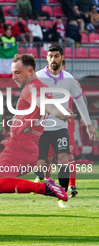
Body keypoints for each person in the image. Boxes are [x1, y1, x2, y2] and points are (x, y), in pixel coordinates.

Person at [0, 54, 74, 239]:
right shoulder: (42, 88)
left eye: (17, 72)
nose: (14, 77)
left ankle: (45, 187)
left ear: (30, 71)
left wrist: (58, 113)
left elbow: (42, 103)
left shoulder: (32, 88)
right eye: (12, 72)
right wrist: (58, 111)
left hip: (20, 148)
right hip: (22, 147)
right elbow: (46, 104)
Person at [34, 45, 98, 208]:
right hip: (42, 127)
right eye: (50, 56)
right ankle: (42, 180)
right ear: (46, 58)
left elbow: (80, 100)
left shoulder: (70, 79)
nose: (53, 59)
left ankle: (63, 194)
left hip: (62, 126)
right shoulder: (38, 77)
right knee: (43, 161)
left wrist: (88, 124)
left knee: (64, 159)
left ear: (62, 58)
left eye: (56, 56)